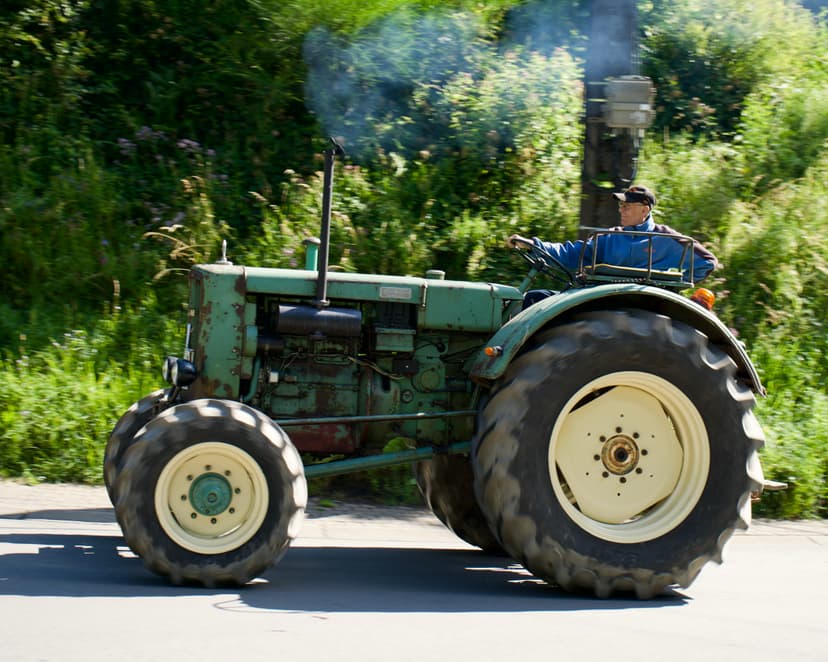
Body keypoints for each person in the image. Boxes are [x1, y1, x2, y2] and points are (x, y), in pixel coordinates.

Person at [508, 185, 719, 307]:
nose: (621, 210)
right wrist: (534, 245)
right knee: (532, 300)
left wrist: (671, 288)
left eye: (627, 206)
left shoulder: (667, 239)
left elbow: (707, 262)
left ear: (645, 210)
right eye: (621, 205)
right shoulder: (609, 238)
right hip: (601, 298)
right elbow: (571, 253)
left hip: (639, 305)